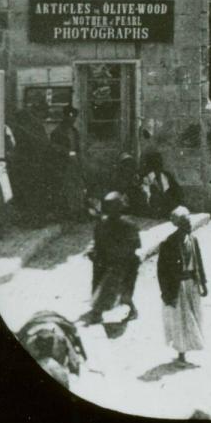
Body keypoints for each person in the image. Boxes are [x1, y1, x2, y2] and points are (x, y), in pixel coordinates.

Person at [157, 206, 207, 364]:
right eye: (186, 222)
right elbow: (162, 272)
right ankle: (181, 353)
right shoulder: (168, 244)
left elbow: (199, 262)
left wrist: (203, 283)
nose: (190, 224)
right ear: (178, 224)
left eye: (189, 220)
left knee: (194, 316)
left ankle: (191, 346)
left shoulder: (193, 240)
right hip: (177, 287)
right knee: (180, 319)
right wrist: (166, 293)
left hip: (192, 284)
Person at [82, 192, 140, 324]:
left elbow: (135, 245)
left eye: (114, 207)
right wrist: (92, 253)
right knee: (99, 286)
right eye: (109, 207)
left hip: (125, 263)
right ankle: (97, 313)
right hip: (104, 262)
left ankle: (132, 310)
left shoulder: (128, 225)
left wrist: (118, 257)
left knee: (124, 290)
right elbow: (97, 243)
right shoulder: (101, 225)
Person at [8, 93, 56, 217]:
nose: (45, 117)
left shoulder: (24, 122)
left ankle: (31, 216)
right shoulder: (33, 125)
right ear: (38, 111)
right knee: (34, 191)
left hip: (25, 162)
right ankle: (34, 217)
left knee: (29, 191)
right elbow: (42, 144)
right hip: (32, 163)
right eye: (43, 113)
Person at [49, 106, 88, 220]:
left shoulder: (74, 131)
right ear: (65, 116)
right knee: (67, 188)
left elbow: (77, 148)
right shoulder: (57, 132)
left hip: (75, 163)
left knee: (78, 186)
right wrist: (67, 153)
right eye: (70, 116)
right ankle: (69, 212)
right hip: (64, 164)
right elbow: (54, 147)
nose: (72, 119)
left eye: (74, 117)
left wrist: (79, 159)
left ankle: (78, 211)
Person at [141, 150, 184, 219]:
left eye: (159, 163)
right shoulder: (145, 179)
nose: (159, 166)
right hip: (154, 216)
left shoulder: (166, 176)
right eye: (154, 163)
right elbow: (146, 201)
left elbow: (178, 193)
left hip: (170, 213)